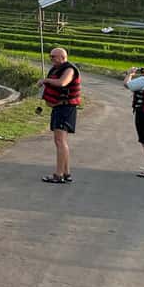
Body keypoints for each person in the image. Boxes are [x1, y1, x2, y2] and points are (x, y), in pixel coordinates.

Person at [37, 47, 82, 184]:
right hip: (59, 108)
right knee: (61, 141)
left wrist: (46, 81)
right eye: (50, 56)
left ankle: (58, 174)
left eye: (53, 57)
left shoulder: (69, 69)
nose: (51, 59)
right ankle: (66, 172)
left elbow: (63, 83)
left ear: (63, 57)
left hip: (66, 108)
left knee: (60, 141)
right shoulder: (56, 69)